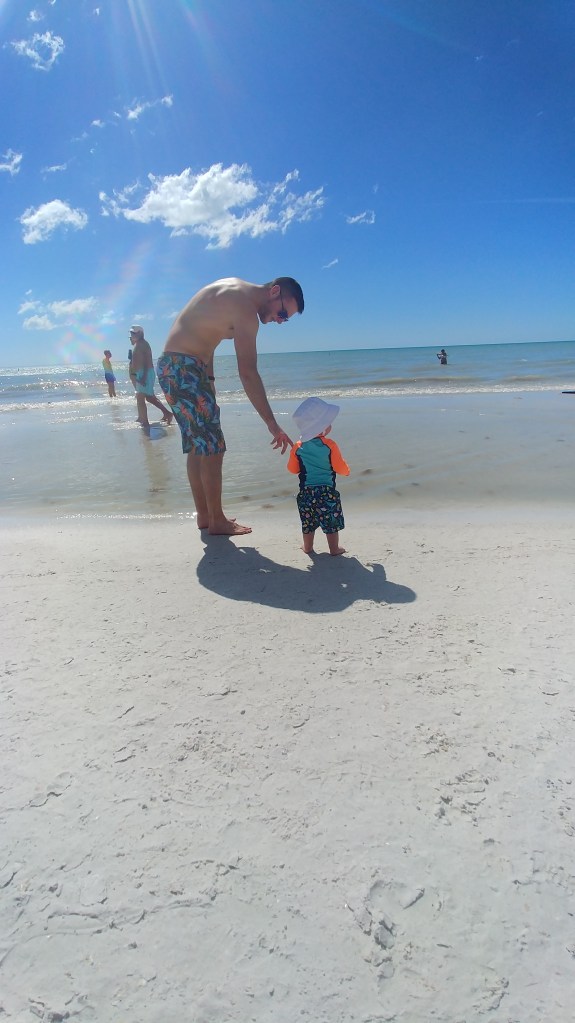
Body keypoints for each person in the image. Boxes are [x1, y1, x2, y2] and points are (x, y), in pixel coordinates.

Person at [156, 277, 305, 535]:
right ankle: (217, 521)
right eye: (282, 313)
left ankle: (205, 516)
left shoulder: (232, 290)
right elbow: (248, 372)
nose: (280, 321)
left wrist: (210, 378)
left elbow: (206, 334)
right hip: (184, 368)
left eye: (285, 319)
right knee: (213, 447)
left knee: (199, 445)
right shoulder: (245, 309)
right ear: (274, 291)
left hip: (175, 366)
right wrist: (271, 423)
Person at [287, 396, 350, 556]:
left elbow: (292, 469)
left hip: (306, 493)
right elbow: (339, 467)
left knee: (308, 522)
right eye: (328, 422)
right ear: (321, 428)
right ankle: (334, 549)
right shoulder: (329, 445)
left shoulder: (298, 447)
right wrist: (346, 471)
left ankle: (307, 547)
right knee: (331, 522)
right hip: (327, 492)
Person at [129, 326, 173, 427]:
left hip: (145, 373)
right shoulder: (139, 344)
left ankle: (145, 422)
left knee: (140, 398)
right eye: (131, 333)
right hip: (142, 373)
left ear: (140, 333)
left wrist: (143, 376)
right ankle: (167, 413)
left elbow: (146, 362)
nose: (132, 335)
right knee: (149, 397)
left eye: (134, 333)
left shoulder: (143, 344)